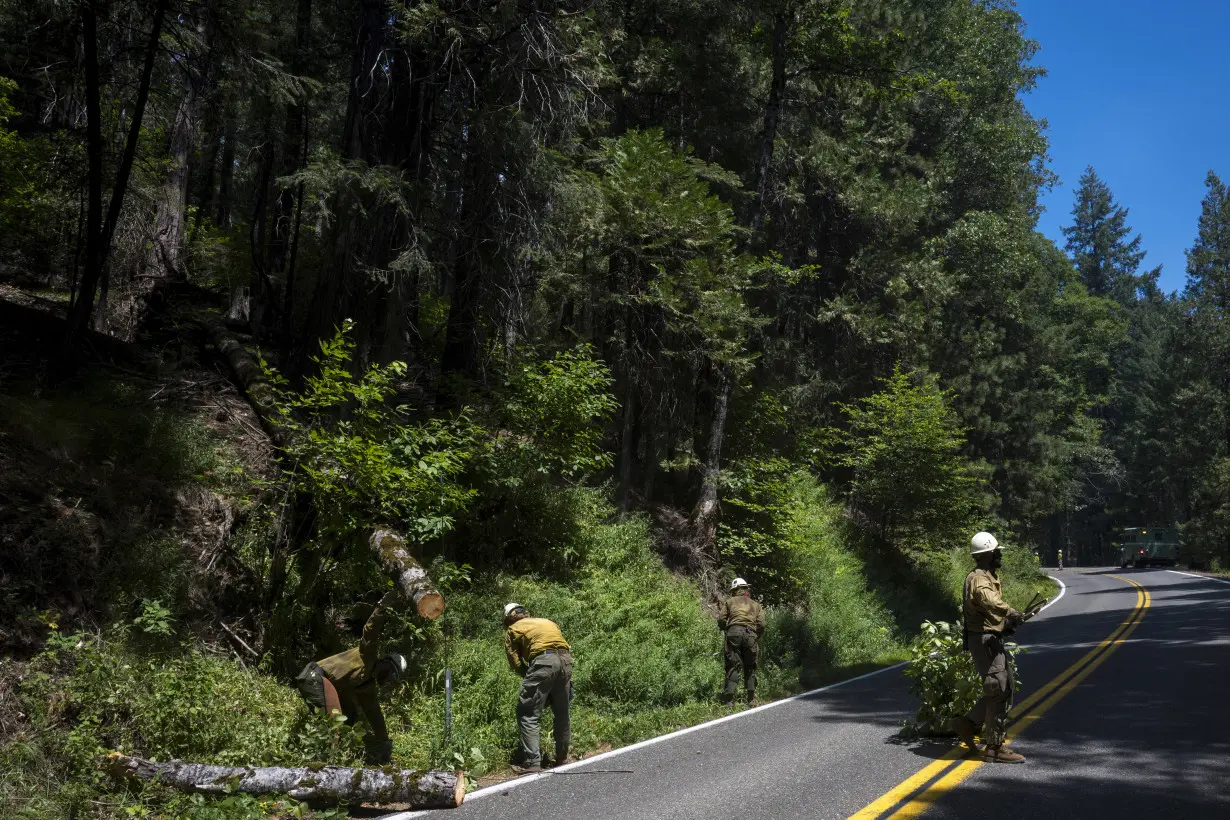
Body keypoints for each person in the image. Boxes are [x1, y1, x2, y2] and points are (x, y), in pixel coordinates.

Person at [294, 589, 407, 764]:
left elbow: (374, 715)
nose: (388, 678)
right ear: (384, 661)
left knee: (350, 717)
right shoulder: (368, 657)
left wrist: (385, 744)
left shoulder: (367, 686)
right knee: (335, 722)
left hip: (322, 683)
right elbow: (370, 632)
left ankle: (334, 759)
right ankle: (325, 766)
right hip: (313, 676)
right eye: (390, 672)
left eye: (393, 678)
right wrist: (381, 608)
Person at [951, 532, 1026, 764]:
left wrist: (1005, 625)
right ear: (987, 554)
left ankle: (969, 723)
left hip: (988, 638)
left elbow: (987, 611)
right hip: (983, 640)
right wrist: (1010, 612)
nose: (999, 554)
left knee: (1004, 688)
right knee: (998, 688)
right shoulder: (979, 579)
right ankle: (994, 748)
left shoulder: (986, 575)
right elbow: (989, 601)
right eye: (996, 551)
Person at [504, 602, 572, 773]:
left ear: (509, 618)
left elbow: (514, 660)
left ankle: (532, 762)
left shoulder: (513, 629)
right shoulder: (547, 621)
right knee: (562, 711)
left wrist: (526, 672)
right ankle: (562, 757)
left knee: (527, 712)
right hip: (566, 660)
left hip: (543, 661)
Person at [718, 577, 765, 706]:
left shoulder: (730, 602)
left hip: (733, 633)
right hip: (750, 634)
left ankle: (729, 701)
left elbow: (721, 619)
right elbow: (761, 624)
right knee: (750, 666)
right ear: (745, 588)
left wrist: (726, 630)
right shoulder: (755, 604)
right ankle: (751, 700)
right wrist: (756, 636)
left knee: (732, 666)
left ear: (734, 590)